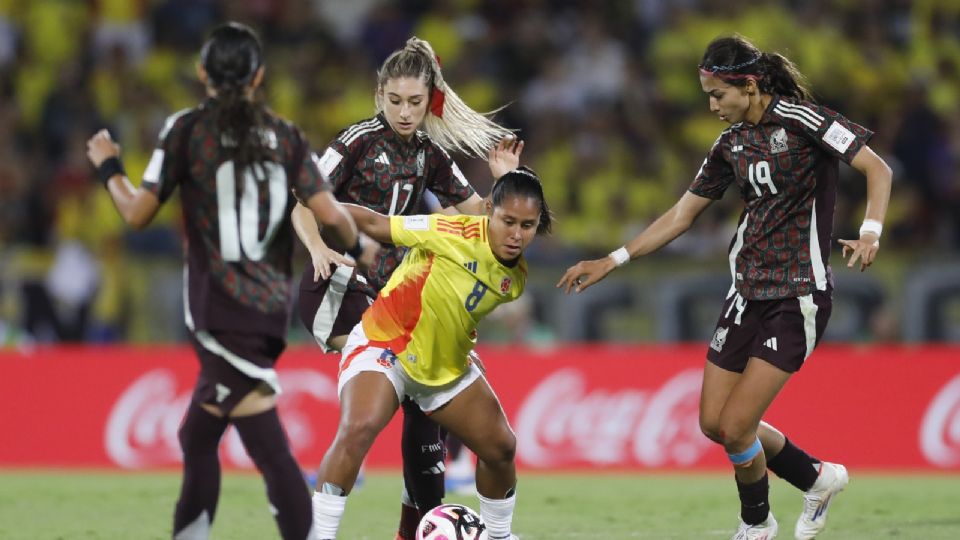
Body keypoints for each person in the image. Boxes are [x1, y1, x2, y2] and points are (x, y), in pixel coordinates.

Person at [558, 35, 892, 540]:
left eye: (718, 95)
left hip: (797, 294)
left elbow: (877, 169)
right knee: (714, 423)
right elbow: (681, 215)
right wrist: (614, 258)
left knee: (737, 426)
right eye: (708, 95)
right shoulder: (730, 143)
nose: (712, 105)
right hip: (744, 293)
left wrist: (871, 232)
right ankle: (817, 478)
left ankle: (756, 525)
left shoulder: (804, 120)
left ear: (749, 84)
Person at [86, 22, 362, 540]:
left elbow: (137, 212)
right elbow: (336, 217)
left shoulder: (186, 129)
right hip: (268, 306)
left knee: (268, 447)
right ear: (258, 76)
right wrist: (350, 244)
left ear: (201, 73)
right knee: (196, 435)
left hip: (219, 308)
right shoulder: (286, 136)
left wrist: (109, 168)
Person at [290, 36, 521, 540]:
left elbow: (478, 214)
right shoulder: (356, 142)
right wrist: (317, 249)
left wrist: (505, 182)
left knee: (422, 415)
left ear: (429, 99)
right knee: (388, 407)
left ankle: (413, 526)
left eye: (415, 102)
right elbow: (303, 201)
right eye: (395, 101)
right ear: (380, 95)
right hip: (339, 288)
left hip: (391, 294)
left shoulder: (431, 155)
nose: (404, 111)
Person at [309, 167, 551, 540]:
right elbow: (376, 223)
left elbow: (457, 308)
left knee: (501, 448)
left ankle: (499, 537)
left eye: (528, 225)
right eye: (508, 221)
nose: (517, 235)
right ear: (489, 212)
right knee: (359, 427)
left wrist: (464, 345)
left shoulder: (514, 277)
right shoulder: (451, 231)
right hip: (386, 343)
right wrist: (321, 204)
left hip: (443, 366)